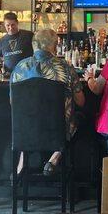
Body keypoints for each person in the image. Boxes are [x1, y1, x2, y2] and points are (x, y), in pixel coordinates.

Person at [10, 29, 85, 175]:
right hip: (57, 129)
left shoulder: (19, 67)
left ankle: (23, 157)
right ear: (54, 46)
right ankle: (56, 155)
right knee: (79, 119)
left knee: (29, 122)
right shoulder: (65, 67)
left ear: (34, 45)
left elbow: (13, 103)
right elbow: (81, 102)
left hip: (26, 129)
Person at [0, 12, 33, 78]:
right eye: (8, 25)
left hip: (28, 75)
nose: (10, 27)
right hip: (10, 76)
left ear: (17, 23)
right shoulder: (1, 41)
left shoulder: (28, 35)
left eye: (13, 25)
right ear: (4, 25)